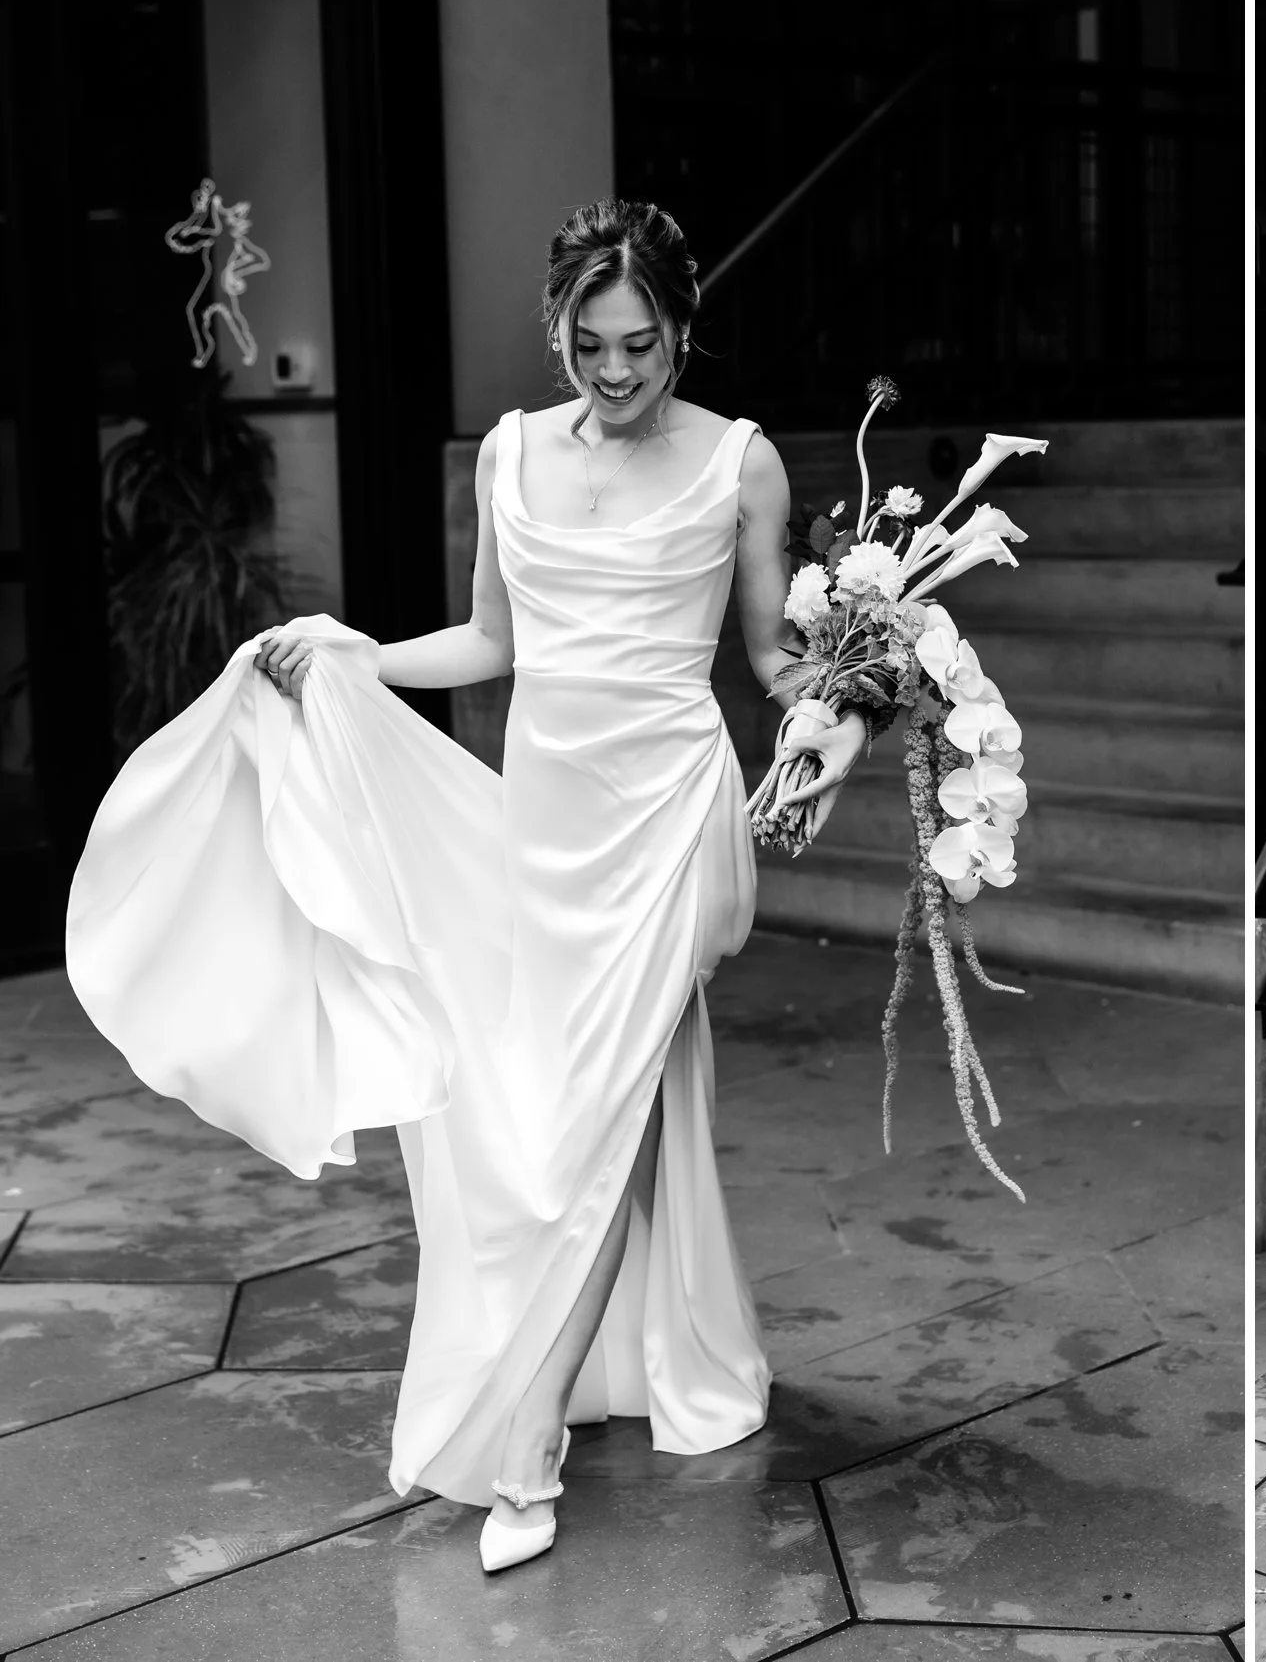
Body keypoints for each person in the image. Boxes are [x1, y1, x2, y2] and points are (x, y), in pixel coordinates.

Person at [64, 201, 858, 1574]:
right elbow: (493, 641)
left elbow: (770, 661)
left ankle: (527, 1438)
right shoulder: (507, 454)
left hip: (666, 817)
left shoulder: (742, 465)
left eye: (645, 344)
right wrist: (355, 659)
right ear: (558, 329)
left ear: (684, 330)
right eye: (591, 344)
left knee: (588, 1133)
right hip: (541, 827)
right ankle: (657, 1355)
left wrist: (843, 702)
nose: (616, 372)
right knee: (564, 1114)